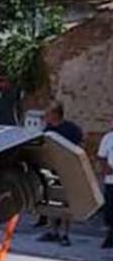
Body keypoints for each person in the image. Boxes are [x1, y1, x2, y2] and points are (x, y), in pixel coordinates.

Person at [38, 105, 84, 246]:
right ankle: (53, 231)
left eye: (48, 114)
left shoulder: (71, 129)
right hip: (52, 169)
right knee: (52, 200)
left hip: (67, 169)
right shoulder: (48, 130)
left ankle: (65, 234)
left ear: (56, 114)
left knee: (65, 202)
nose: (46, 117)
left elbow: (78, 147)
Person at [98, 120, 113, 248]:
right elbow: (102, 157)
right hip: (111, 180)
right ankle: (109, 236)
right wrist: (105, 168)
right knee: (110, 210)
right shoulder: (108, 138)